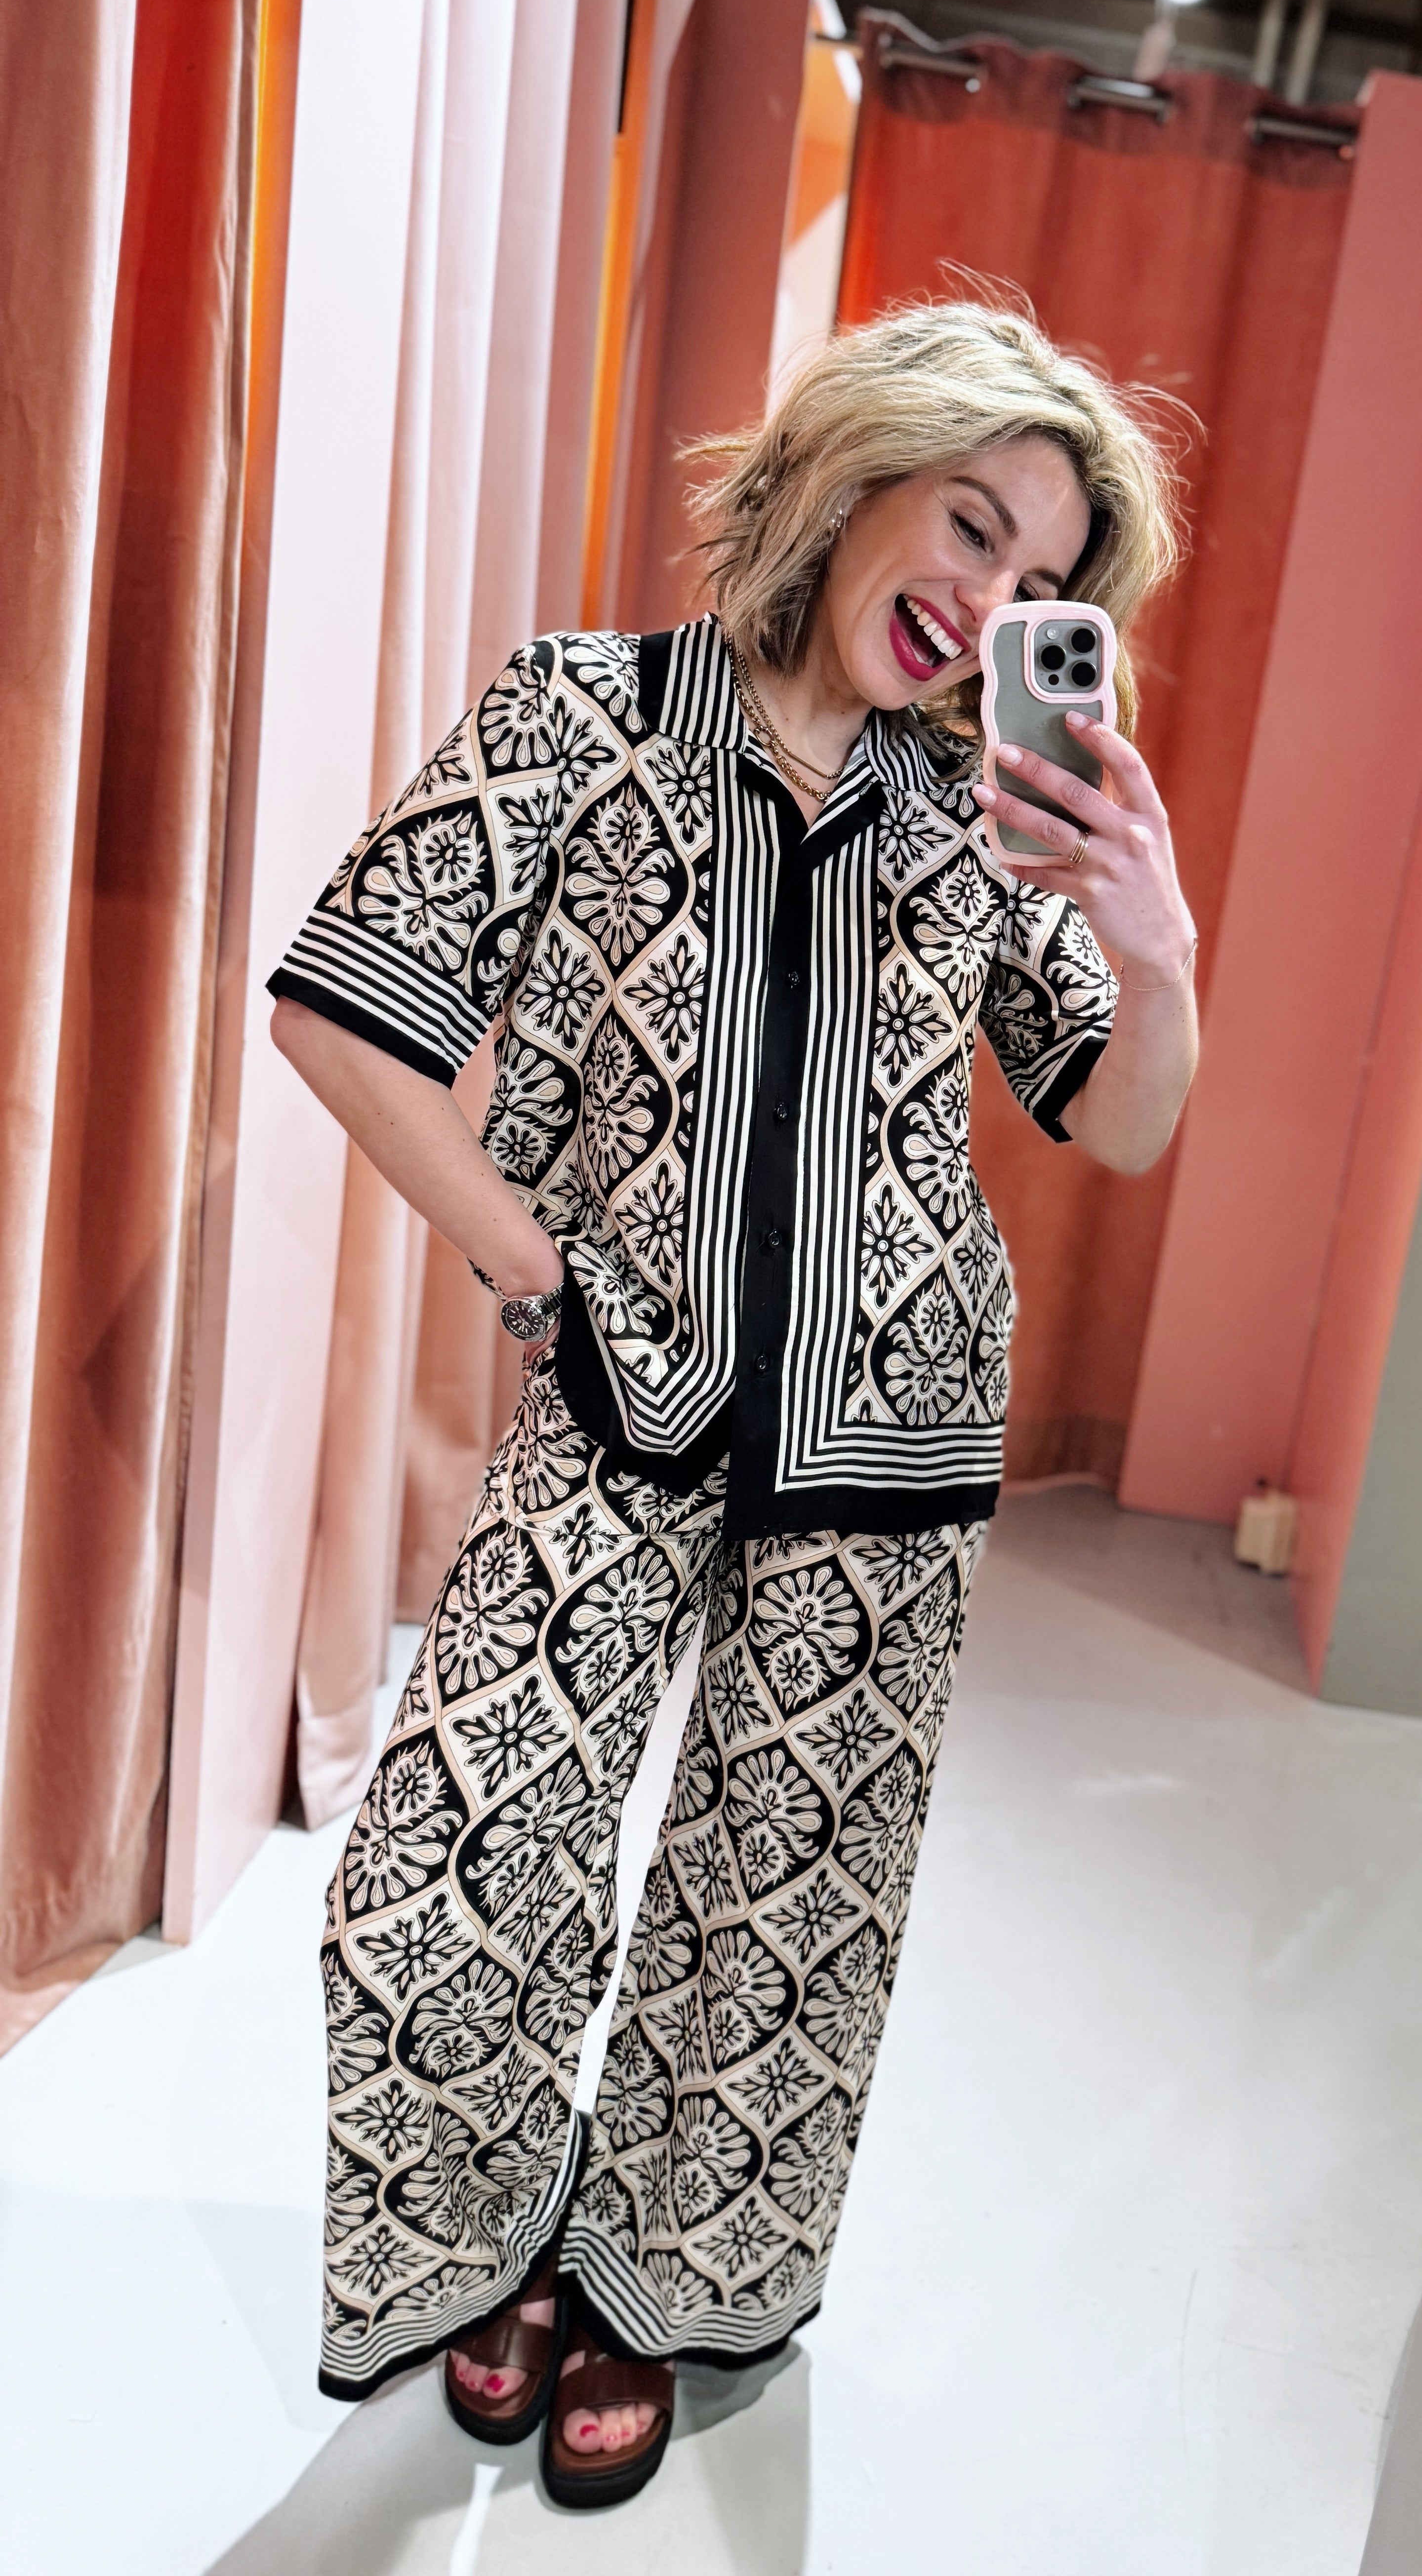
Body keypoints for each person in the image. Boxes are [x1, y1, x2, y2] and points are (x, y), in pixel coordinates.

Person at [267, 301, 1199, 2509]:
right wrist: (540, 1272)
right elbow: (343, 1010)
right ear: (854, 475)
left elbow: (1123, 1121)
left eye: (1041, 578)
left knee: (782, 1918)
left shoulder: (985, 815)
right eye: (969, 525)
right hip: (623, 1397)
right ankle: (492, 2239)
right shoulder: (580, 713)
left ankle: (660, 2289)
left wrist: (1154, 945)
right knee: (451, 1868)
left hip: (893, 1430)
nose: (989, 596)